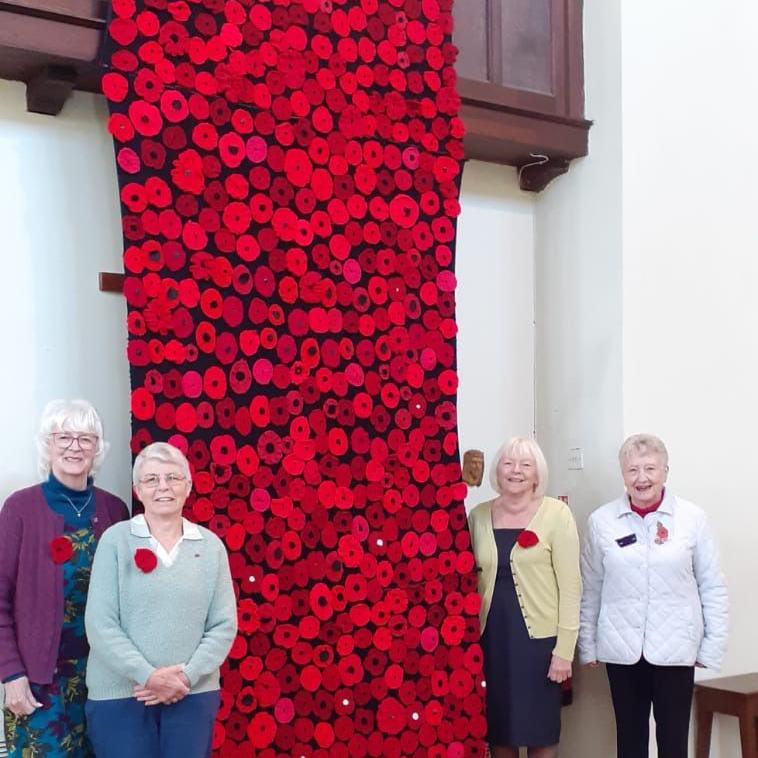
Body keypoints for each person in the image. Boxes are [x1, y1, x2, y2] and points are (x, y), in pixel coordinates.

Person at [579, 434, 728, 758]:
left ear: (665, 471)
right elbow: (591, 587)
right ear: (623, 474)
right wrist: (587, 644)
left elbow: (712, 585)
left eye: (650, 468)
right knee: (630, 742)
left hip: (676, 649)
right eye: (632, 470)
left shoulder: (692, 519)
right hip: (622, 650)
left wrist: (712, 646)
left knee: (673, 742)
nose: (641, 478)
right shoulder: (601, 521)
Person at [84, 441, 236, 758]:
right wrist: (149, 677)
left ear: (188, 486)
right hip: (122, 696)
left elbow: (223, 625)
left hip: (191, 694)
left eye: (173, 477)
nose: (162, 487)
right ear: (138, 490)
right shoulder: (116, 540)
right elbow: (100, 624)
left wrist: (184, 677)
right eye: (151, 479)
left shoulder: (210, 547)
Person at [0, 399, 129, 756]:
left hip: (107, 680)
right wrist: (10, 674)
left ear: (97, 448)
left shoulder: (114, 510)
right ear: (48, 445)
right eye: (64, 437)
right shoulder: (20, 508)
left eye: (86, 438)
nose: (75, 446)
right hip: (39, 682)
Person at [468, 437, 581, 758]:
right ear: (497, 471)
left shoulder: (557, 515)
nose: (515, 471)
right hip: (492, 642)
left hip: (541, 646)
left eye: (525, 465)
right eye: (508, 463)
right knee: (498, 730)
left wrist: (564, 652)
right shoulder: (477, 516)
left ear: (537, 475)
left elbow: (572, 587)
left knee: (541, 731)